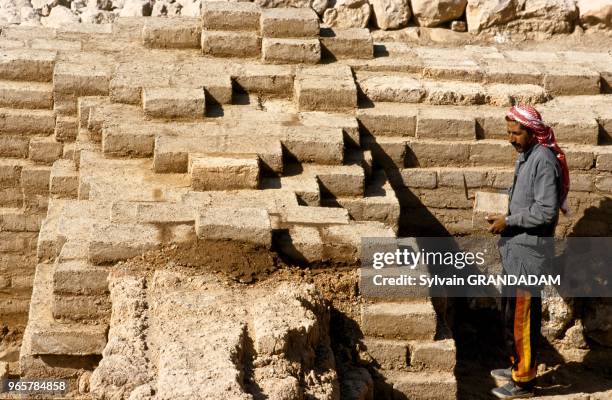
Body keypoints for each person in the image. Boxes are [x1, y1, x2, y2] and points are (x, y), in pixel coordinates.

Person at [486, 104, 570, 399]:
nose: (511, 138)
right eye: (509, 133)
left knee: (522, 317)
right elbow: (525, 200)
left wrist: (508, 220)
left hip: (530, 253)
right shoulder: (526, 156)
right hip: (516, 249)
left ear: (532, 132)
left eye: (516, 133)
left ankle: (524, 383)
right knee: (510, 313)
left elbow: (546, 211)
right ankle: (516, 366)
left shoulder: (543, 161)